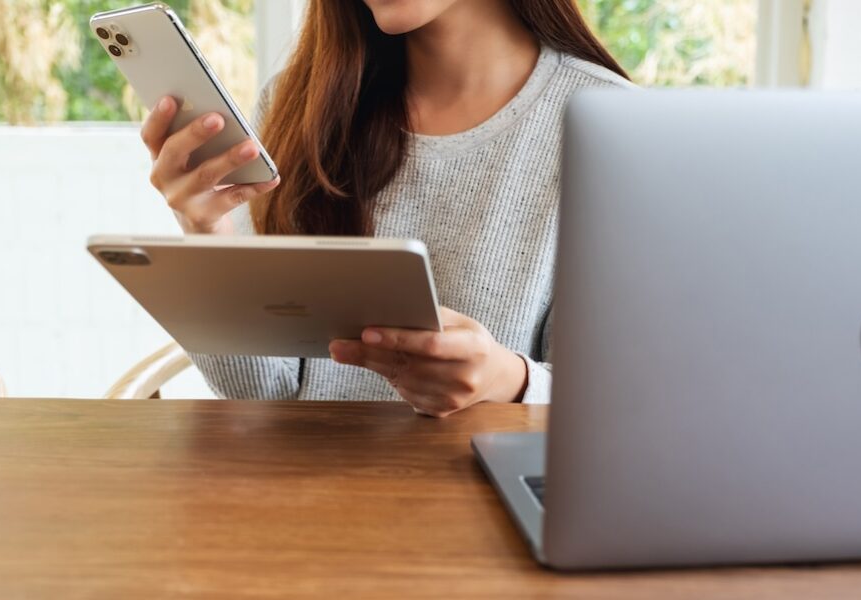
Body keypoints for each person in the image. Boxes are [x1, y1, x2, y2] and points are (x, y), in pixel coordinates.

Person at [139, 0, 633, 416]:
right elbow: (262, 394)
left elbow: (624, 413)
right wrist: (206, 230)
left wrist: (509, 380)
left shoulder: (613, 127)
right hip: (301, 490)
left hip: (478, 497)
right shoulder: (298, 105)